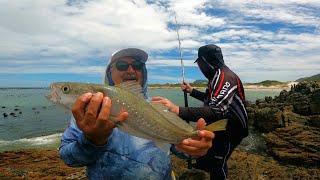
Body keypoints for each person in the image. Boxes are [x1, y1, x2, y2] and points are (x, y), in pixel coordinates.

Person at [59, 48, 215, 179]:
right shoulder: (87, 113)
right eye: (121, 65)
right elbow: (68, 158)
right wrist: (91, 140)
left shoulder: (160, 107)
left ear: (144, 71)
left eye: (138, 65)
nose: (130, 70)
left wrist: (194, 148)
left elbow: (179, 149)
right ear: (109, 73)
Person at [151, 44, 248, 180]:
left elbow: (217, 110)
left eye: (199, 64)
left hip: (232, 130)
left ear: (205, 62)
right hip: (221, 127)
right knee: (211, 154)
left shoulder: (225, 77)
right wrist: (192, 91)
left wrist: (177, 110)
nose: (200, 68)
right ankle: (205, 164)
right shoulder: (215, 77)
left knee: (218, 163)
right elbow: (210, 100)